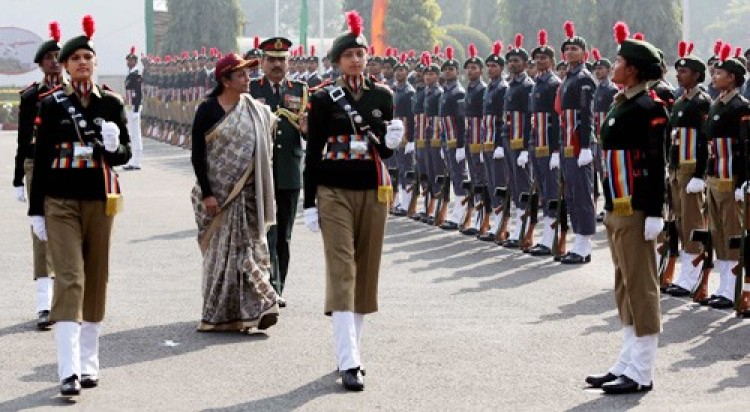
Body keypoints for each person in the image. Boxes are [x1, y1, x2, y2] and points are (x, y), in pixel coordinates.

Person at [28, 15, 132, 396]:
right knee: (70, 278)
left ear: (95, 62)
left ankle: (90, 362)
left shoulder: (112, 103)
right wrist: (35, 209)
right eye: (75, 59)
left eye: (88, 56)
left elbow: (124, 156)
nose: (82, 63)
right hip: (60, 202)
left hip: (99, 200)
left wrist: (112, 144)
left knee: (96, 278)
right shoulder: (53, 105)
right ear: (66, 66)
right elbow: (40, 162)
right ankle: (68, 369)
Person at [303, 10, 399, 391]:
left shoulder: (383, 95)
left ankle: (351, 350)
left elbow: (385, 154)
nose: (356, 60)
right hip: (334, 190)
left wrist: (393, 142)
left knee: (365, 271)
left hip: (373, 191)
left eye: (360, 54)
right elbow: (313, 152)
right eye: (348, 55)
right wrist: (309, 202)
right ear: (336, 61)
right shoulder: (325, 98)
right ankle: (350, 360)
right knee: (342, 269)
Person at [585, 23, 668, 395]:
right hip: (617, 206)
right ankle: (626, 360)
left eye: (619, 60)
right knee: (624, 286)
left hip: (636, 208)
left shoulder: (649, 106)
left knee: (641, 288)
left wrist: (654, 210)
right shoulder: (625, 101)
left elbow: (655, 160)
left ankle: (642, 370)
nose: (613, 65)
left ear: (633, 68)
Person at [190, 53, 280, 333]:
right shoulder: (207, 110)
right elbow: (197, 155)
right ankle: (219, 312)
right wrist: (207, 193)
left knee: (248, 250)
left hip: (249, 194)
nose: (248, 79)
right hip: (219, 196)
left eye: (248, 74)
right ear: (225, 80)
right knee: (221, 256)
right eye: (241, 75)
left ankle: (260, 305)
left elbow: (270, 135)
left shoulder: (255, 109)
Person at [250, 37, 308, 307]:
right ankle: (264, 286)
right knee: (262, 232)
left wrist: (309, 128)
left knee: (283, 233)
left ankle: (278, 285)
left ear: (288, 62)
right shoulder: (250, 89)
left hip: (288, 171)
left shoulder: (300, 89)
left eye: (281, 59)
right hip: (260, 170)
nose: (276, 64)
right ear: (261, 62)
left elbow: (308, 131)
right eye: (271, 59)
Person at [13, 21, 64, 330]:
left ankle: (68, 298)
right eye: (49, 58)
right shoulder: (31, 96)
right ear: (41, 63)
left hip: (68, 166)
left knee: (69, 230)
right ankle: (44, 304)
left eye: (59, 56)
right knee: (41, 233)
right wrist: (18, 177)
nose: (55, 62)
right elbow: (22, 139)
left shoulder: (74, 93)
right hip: (37, 167)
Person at [696, 45, 749, 309]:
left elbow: (745, 147)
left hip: (731, 178)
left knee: (731, 233)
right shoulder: (717, 104)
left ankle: (732, 290)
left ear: (733, 78)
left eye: (720, 73)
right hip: (715, 176)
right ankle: (724, 286)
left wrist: (744, 181)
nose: (714, 76)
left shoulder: (740, 107)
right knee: (717, 232)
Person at [663, 42, 711, 298]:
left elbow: (704, 141)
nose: (679, 74)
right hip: (676, 167)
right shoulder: (680, 101)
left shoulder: (701, 102)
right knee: (680, 220)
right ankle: (685, 272)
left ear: (696, 75)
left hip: (691, 168)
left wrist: (699, 174)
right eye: (678, 70)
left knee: (692, 221)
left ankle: (693, 274)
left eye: (684, 71)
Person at [558, 21, 597, 263]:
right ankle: (578, 240)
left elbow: (586, 114)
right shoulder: (568, 77)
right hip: (567, 144)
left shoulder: (583, 78)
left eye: (575, 48)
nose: (570, 52)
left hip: (578, 143)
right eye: (567, 49)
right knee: (571, 193)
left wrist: (585, 146)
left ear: (585, 53)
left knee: (582, 193)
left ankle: (585, 244)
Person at [527, 30, 561, 256]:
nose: (539, 61)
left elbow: (558, 118)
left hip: (549, 145)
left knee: (551, 192)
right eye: (537, 58)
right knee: (542, 191)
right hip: (536, 144)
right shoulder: (537, 82)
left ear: (552, 60)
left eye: (544, 57)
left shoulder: (553, 83)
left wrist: (557, 149)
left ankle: (551, 239)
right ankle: (546, 237)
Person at [500, 34, 534, 248]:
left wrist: (524, 148)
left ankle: (527, 230)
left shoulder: (527, 86)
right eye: (510, 61)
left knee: (523, 185)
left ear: (524, 63)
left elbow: (530, 119)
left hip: (520, 142)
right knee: (513, 184)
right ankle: (517, 228)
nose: (513, 64)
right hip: (508, 139)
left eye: (516, 61)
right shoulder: (510, 84)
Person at [437, 46, 468, 231]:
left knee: (459, 177)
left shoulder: (458, 92)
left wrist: (461, 145)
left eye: (451, 69)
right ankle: (457, 212)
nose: (448, 72)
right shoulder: (445, 91)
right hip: (447, 140)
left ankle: (460, 214)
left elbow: (461, 122)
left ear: (457, 72)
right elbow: (443, 121)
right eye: (445, 69)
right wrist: (442, 142)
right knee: (453, 176)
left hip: (456, 141)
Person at [123, 46, 144, 170]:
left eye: (131, 60)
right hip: (130, 106)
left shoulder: (136, 75)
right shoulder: (130, 74)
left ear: (135, 62)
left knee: (136, 134)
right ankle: (133, 159)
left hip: (134, 107)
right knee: (132, 133)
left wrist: (136, 110)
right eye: (127, 60)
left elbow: (138, 93)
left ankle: (137, 161)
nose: (128, 62)